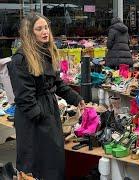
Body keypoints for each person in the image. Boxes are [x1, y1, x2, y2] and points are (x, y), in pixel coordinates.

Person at [7, 13, 85, 179]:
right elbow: (24, 97)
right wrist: (40, 116)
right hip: (33, 122)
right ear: (30, 32)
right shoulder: (20, 59)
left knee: (53, 162)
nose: (45, 31)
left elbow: (56, 84)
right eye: (39, 28)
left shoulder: (45, 52)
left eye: (46, 27)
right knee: (35, 165)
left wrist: (76, 99)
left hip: (48, 113)